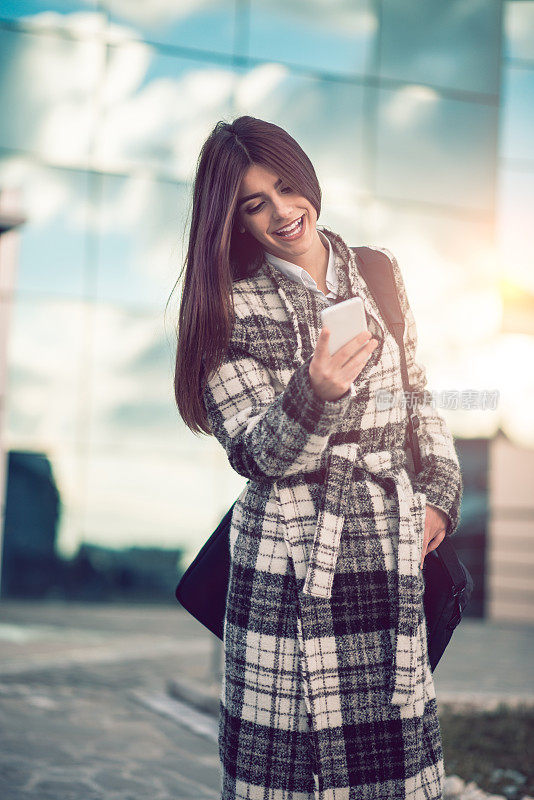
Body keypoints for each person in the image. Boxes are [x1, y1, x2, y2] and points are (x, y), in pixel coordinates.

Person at [173, 115, 463, 800]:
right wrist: (315, 391)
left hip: (387, 560)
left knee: (390, 772)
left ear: (305, 177)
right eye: (254, 203)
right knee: (288, 777)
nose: (282, 212)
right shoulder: (224, 306)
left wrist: (441, 501)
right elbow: (254, 452)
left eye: (285, 186)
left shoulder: (378, 273)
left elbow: (419, 395)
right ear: (233, 220)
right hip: (289, 567)